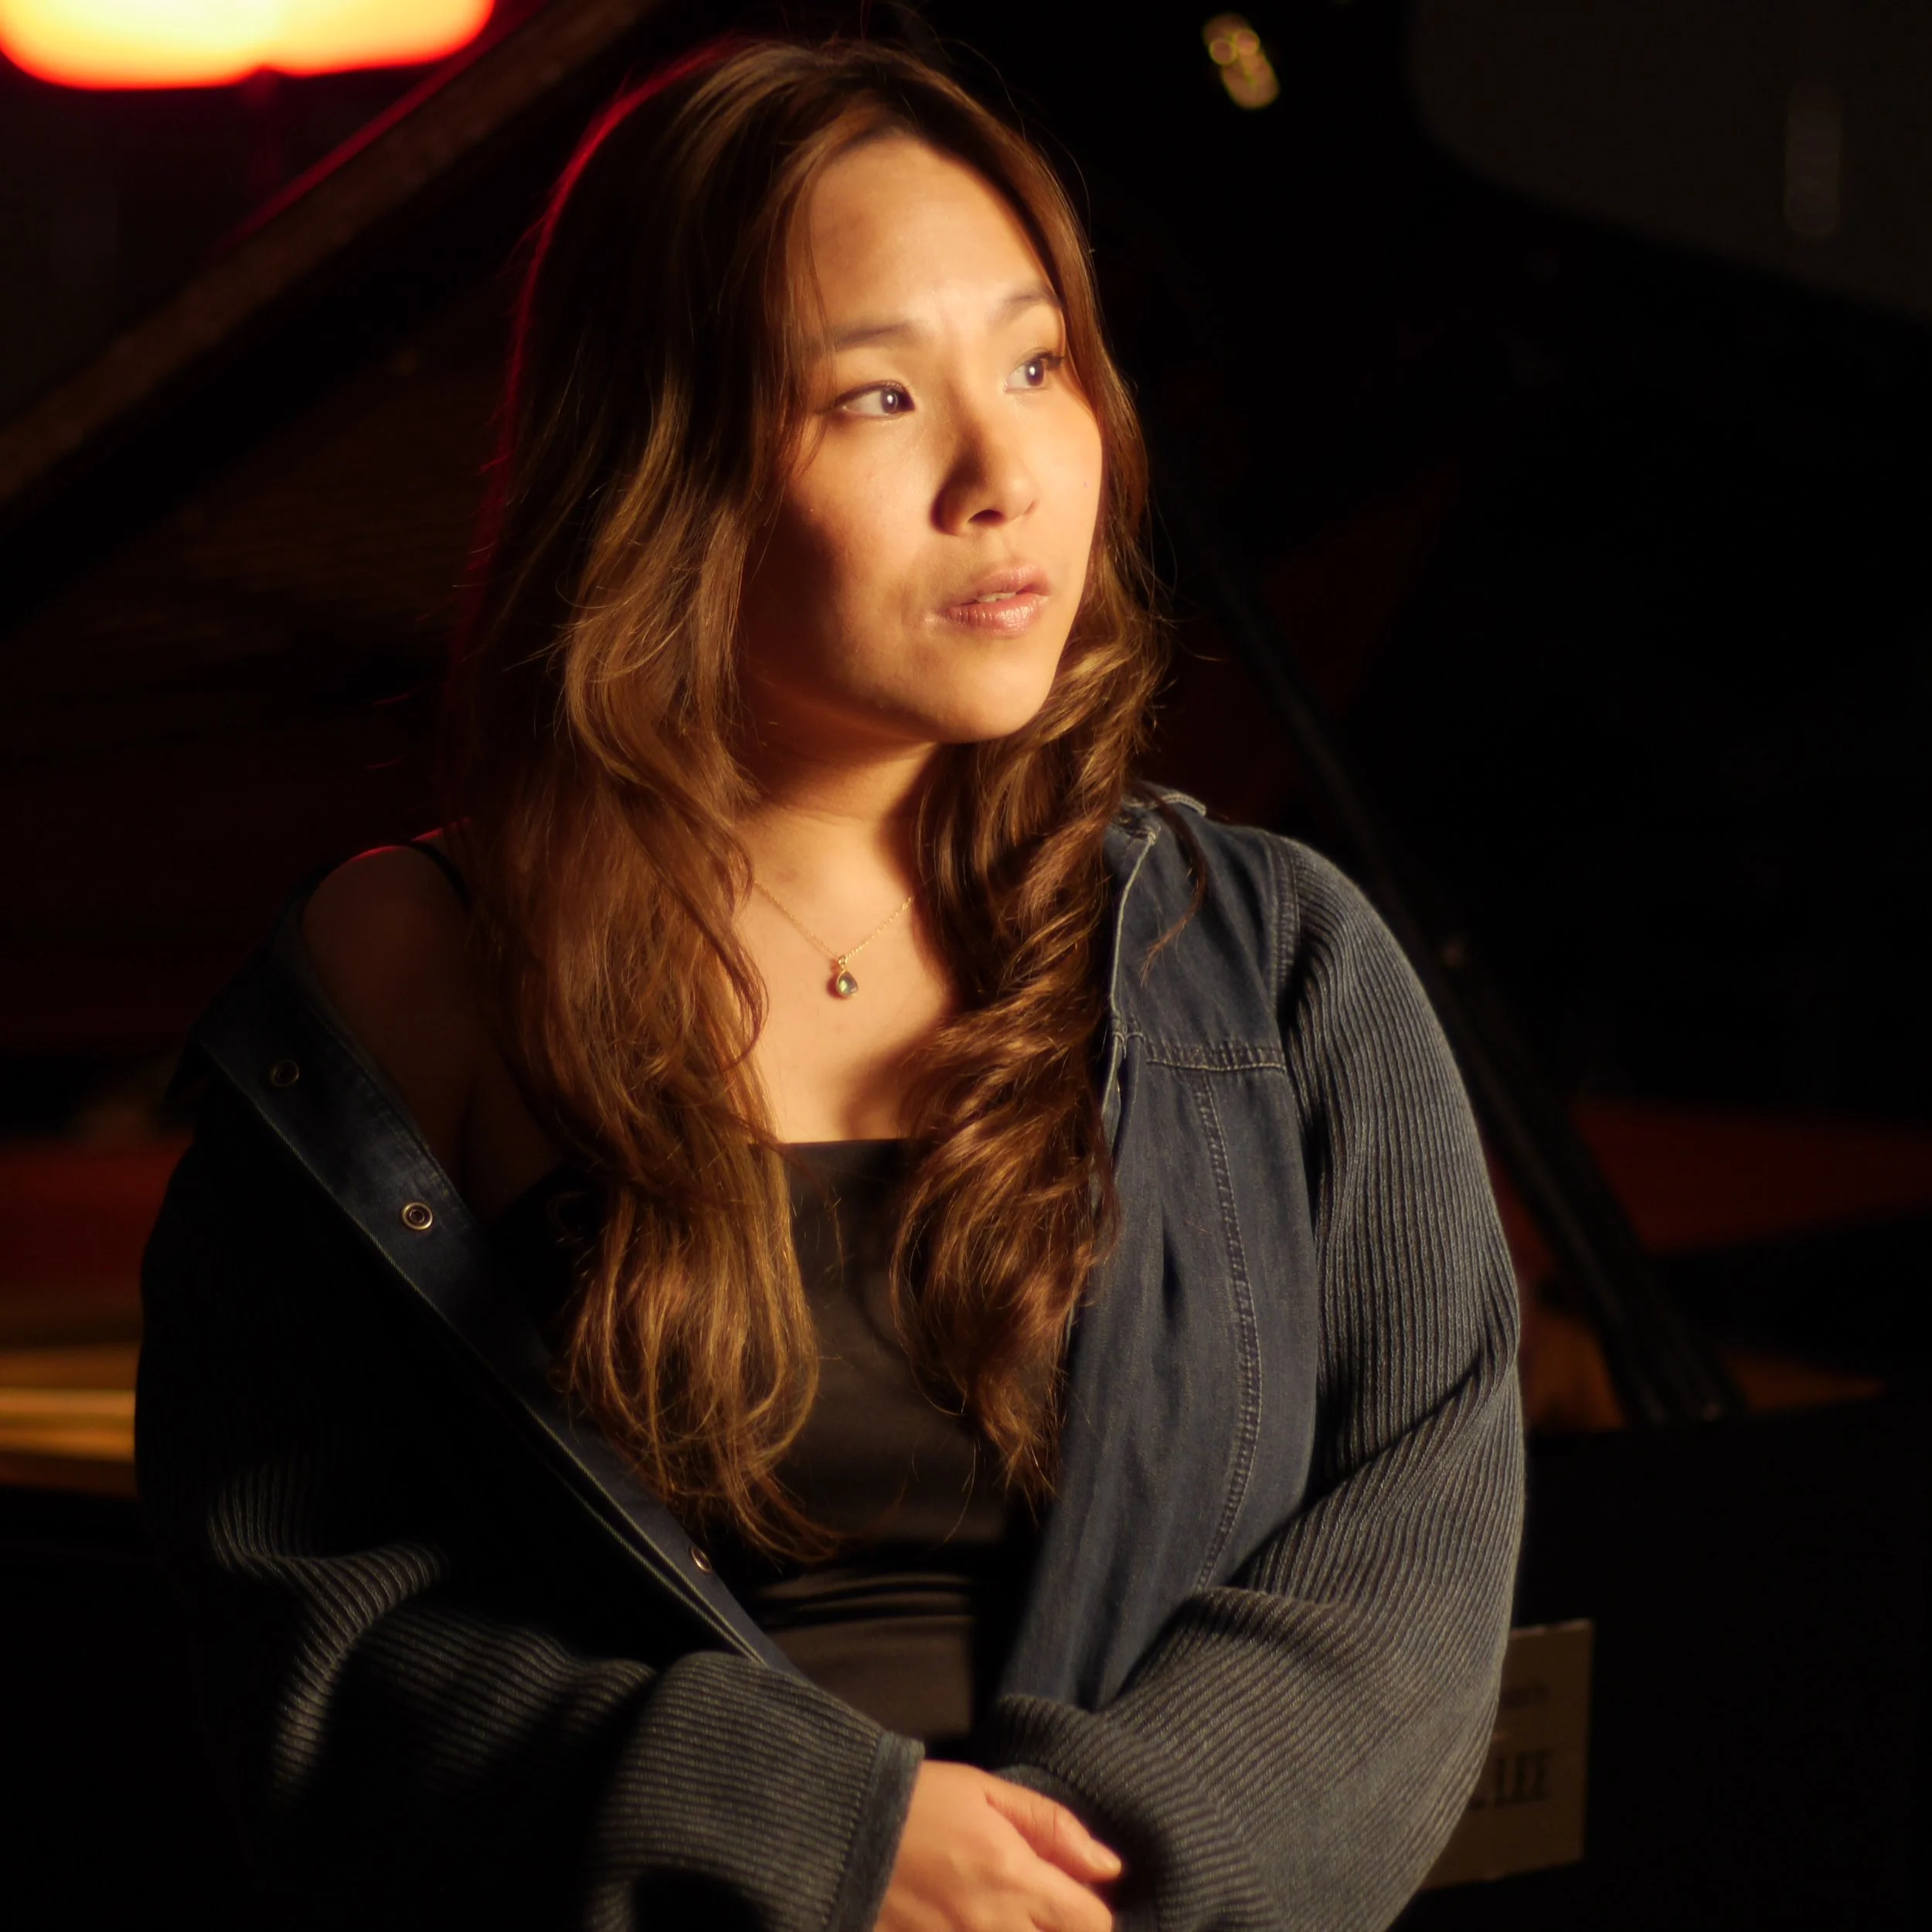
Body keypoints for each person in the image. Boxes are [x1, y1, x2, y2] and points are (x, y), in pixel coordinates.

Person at [138, 36, 1523, 1932]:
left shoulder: (1274, 967)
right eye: (877, 395)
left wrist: (1060, 1898)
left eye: (1039, 363)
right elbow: (320, 1645)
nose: (1002, 470)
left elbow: (1409, 1591)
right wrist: (828, 1841)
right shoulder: (405, 985)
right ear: (669, 460)